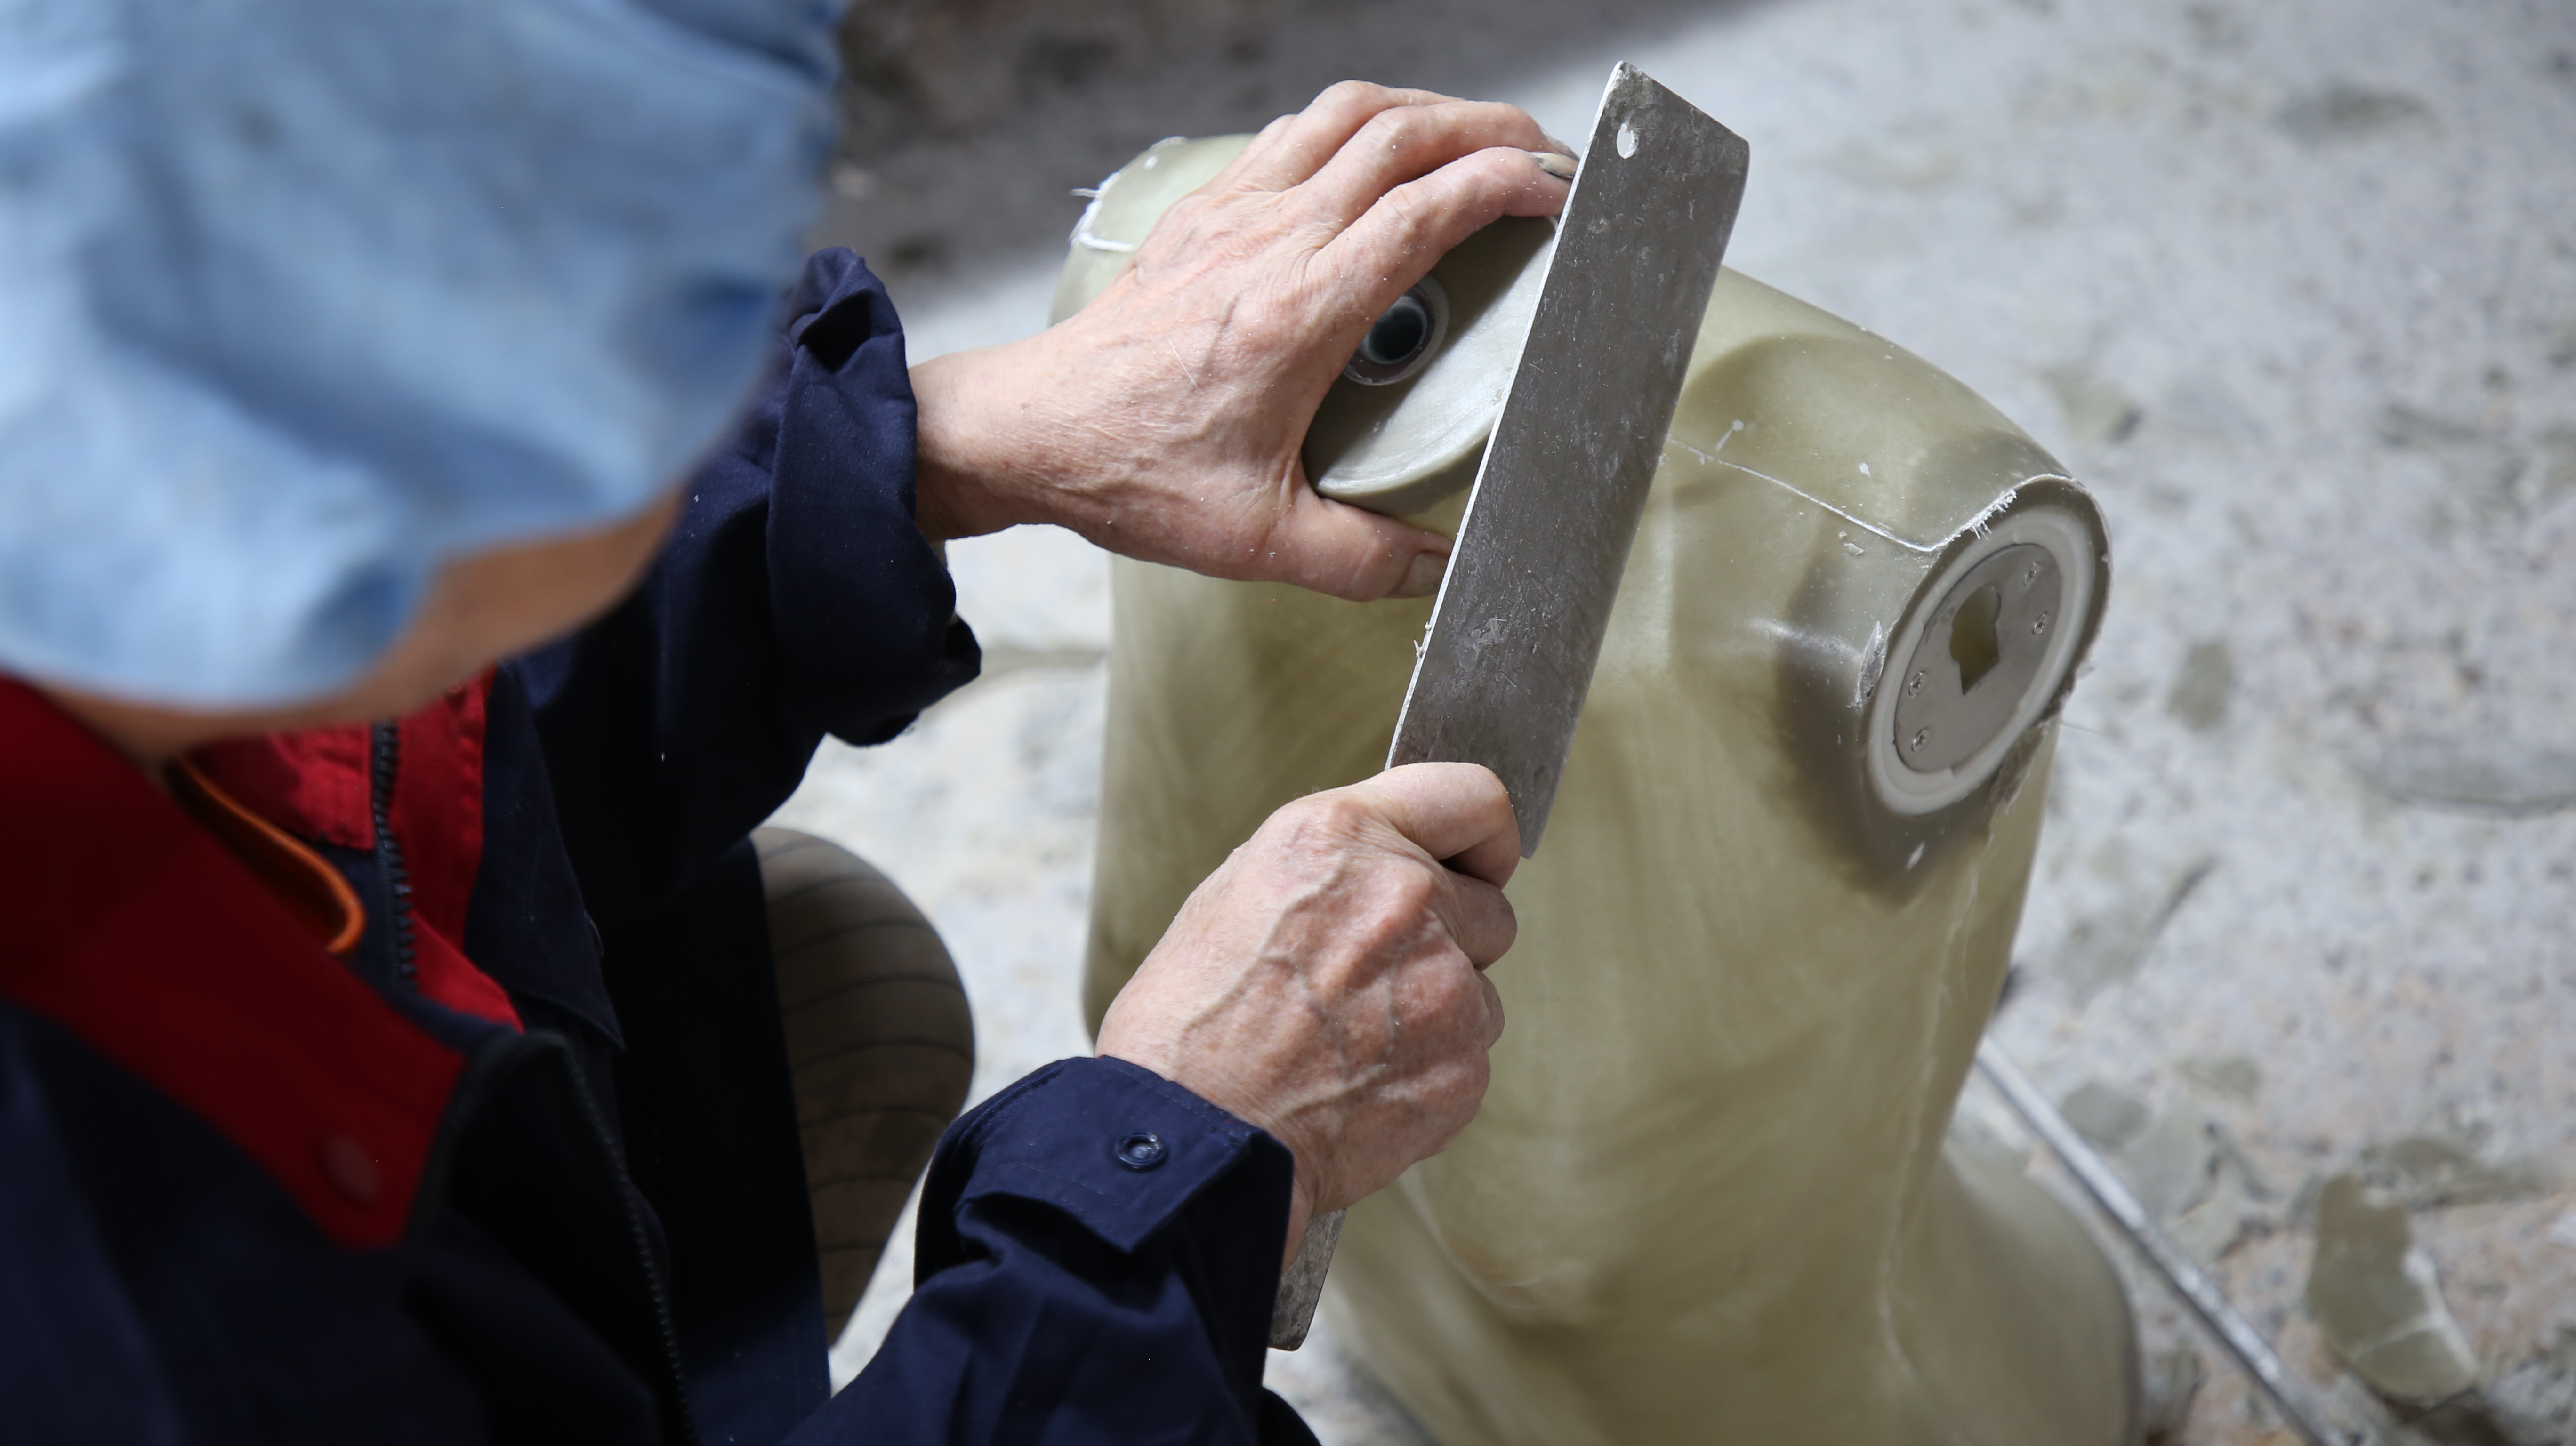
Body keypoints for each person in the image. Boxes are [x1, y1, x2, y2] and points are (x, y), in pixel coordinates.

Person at [0, 4, 1568, 1441]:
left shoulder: (101, 570)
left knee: (824, 964)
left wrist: (929, 445)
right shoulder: (111, 1316)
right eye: (683, 309)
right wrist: (1170, 1161)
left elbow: (422, 760)